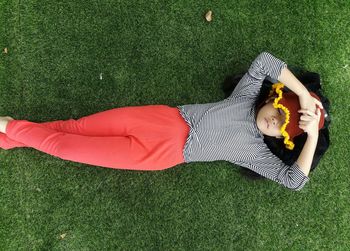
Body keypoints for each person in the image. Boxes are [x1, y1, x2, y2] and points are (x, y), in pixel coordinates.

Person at [0, 52, 328, 191]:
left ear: (281, 139)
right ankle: (11, 136)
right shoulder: (243, 98)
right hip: (159, 119)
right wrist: (300, 94)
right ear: (274, 98)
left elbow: (294, 181)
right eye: (280, 112)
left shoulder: (256, 154)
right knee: (77, 127)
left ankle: (7, 127)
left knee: (66, 147)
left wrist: (310, 135)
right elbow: (266, 61)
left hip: (160, 156)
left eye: (283, 128)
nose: (274, 121)